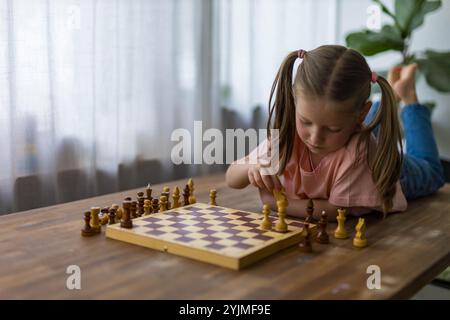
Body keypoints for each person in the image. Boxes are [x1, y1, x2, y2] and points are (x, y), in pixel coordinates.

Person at [225, 45, 445, 220]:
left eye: (331, 128)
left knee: (432, 171)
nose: (315, 137)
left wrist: (275, 203)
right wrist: (251, 167)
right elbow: (231, 177)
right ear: (295, 104)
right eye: (306, 121)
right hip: (353, 133)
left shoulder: (357, 151)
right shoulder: (286, 134)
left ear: (361, 115)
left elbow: (334, 211)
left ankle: (409, 97)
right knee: (349, 129)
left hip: (394, 172)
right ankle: (387, 101)